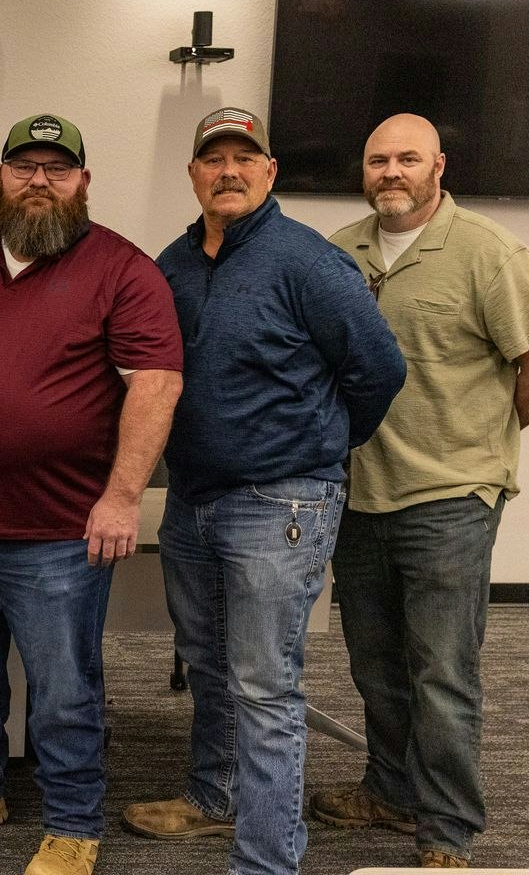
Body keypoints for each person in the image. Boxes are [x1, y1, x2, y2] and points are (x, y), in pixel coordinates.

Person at [0, 114, 184, 875]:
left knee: (62, 689)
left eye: (57, 168)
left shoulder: (122, 269)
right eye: (24, 167)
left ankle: (74, 821)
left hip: (58, 531)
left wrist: (120, 496)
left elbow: (156, 383)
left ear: (83, 182)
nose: (38, 181)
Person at [122, 107, 406, 875]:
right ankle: (214, 799)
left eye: (243, 158)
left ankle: (266, 859)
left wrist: (317, 445)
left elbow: (380, 371)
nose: (227, 171)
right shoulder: (171, 265)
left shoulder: (306, 261)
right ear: (192, 176)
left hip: (279, 504)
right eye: (212, 159)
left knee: (263, 686)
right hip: (192, 500)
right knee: (207, 664)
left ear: (268, 172)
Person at [314, 114, 529, 868]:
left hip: (450, 502)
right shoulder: (338, 254)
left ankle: (447, 829)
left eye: (406, 158)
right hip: (357, 495)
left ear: (437, 166)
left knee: (441, 672)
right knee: (372, 664)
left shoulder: (487, 254)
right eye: (376, 160)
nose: (389, 172)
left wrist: (480, 440)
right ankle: (390, 792)